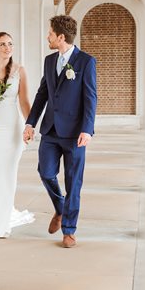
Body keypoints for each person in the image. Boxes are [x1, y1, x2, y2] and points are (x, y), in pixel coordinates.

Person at [23, 15, 97, 248]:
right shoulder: (48, 61)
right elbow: (42, 94)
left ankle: (69, 230)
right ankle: (60, 208)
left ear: (61, 37)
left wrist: (87, 129)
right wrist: (30, 123)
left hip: (76, 134)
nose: (48, 37)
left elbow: (90, 98)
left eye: (50, 34)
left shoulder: (85, 61)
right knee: (45, 173)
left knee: (73, 182)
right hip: (51, 130)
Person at [0, 32, 35, 238]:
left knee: (8, 174)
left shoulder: (20, 70)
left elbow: (24, 102)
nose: (7, 48)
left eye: (10, 44)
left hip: (12, 129)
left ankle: (1, 223)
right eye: (2, 44)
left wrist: (30, 126)